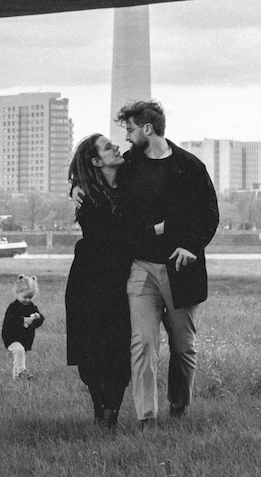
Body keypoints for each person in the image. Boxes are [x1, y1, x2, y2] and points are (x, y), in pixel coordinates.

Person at [115, 99, 219, 428]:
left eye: (130, 129)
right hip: (141, 267)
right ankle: (146, 417)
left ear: (147, 129)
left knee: (183, 347)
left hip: (180, 270)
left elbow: (209, 215)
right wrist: (76, 187)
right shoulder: (128, 165)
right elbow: (96, 180)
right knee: (142, 343)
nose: (127, 137)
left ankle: (179, 406)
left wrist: (191, 244)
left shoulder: (189, 167)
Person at [65, 133, 132, 429]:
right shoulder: (89, 198)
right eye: (108, 147)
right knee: (90, 347)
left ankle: (111, 412)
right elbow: (109, 237)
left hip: (121, 279)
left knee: (120, 346)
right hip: (89, 278)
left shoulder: (131, 177)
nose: (116, 146)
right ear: (96, 161)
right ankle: (98, 407)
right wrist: (76, 186)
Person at [0, 274, 44, 379]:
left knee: (20, 356)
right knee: (19, 351)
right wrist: (22, 320)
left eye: (30, 297)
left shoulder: (31, 307)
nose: (28, 300)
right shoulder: (13, 307)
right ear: (17, 292)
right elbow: (10, 320)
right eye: (25, 297)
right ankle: (22, 372)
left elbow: (39, 322)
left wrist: (38, 317)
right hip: (11, 337)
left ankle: (16, 378)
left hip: (25, 339)